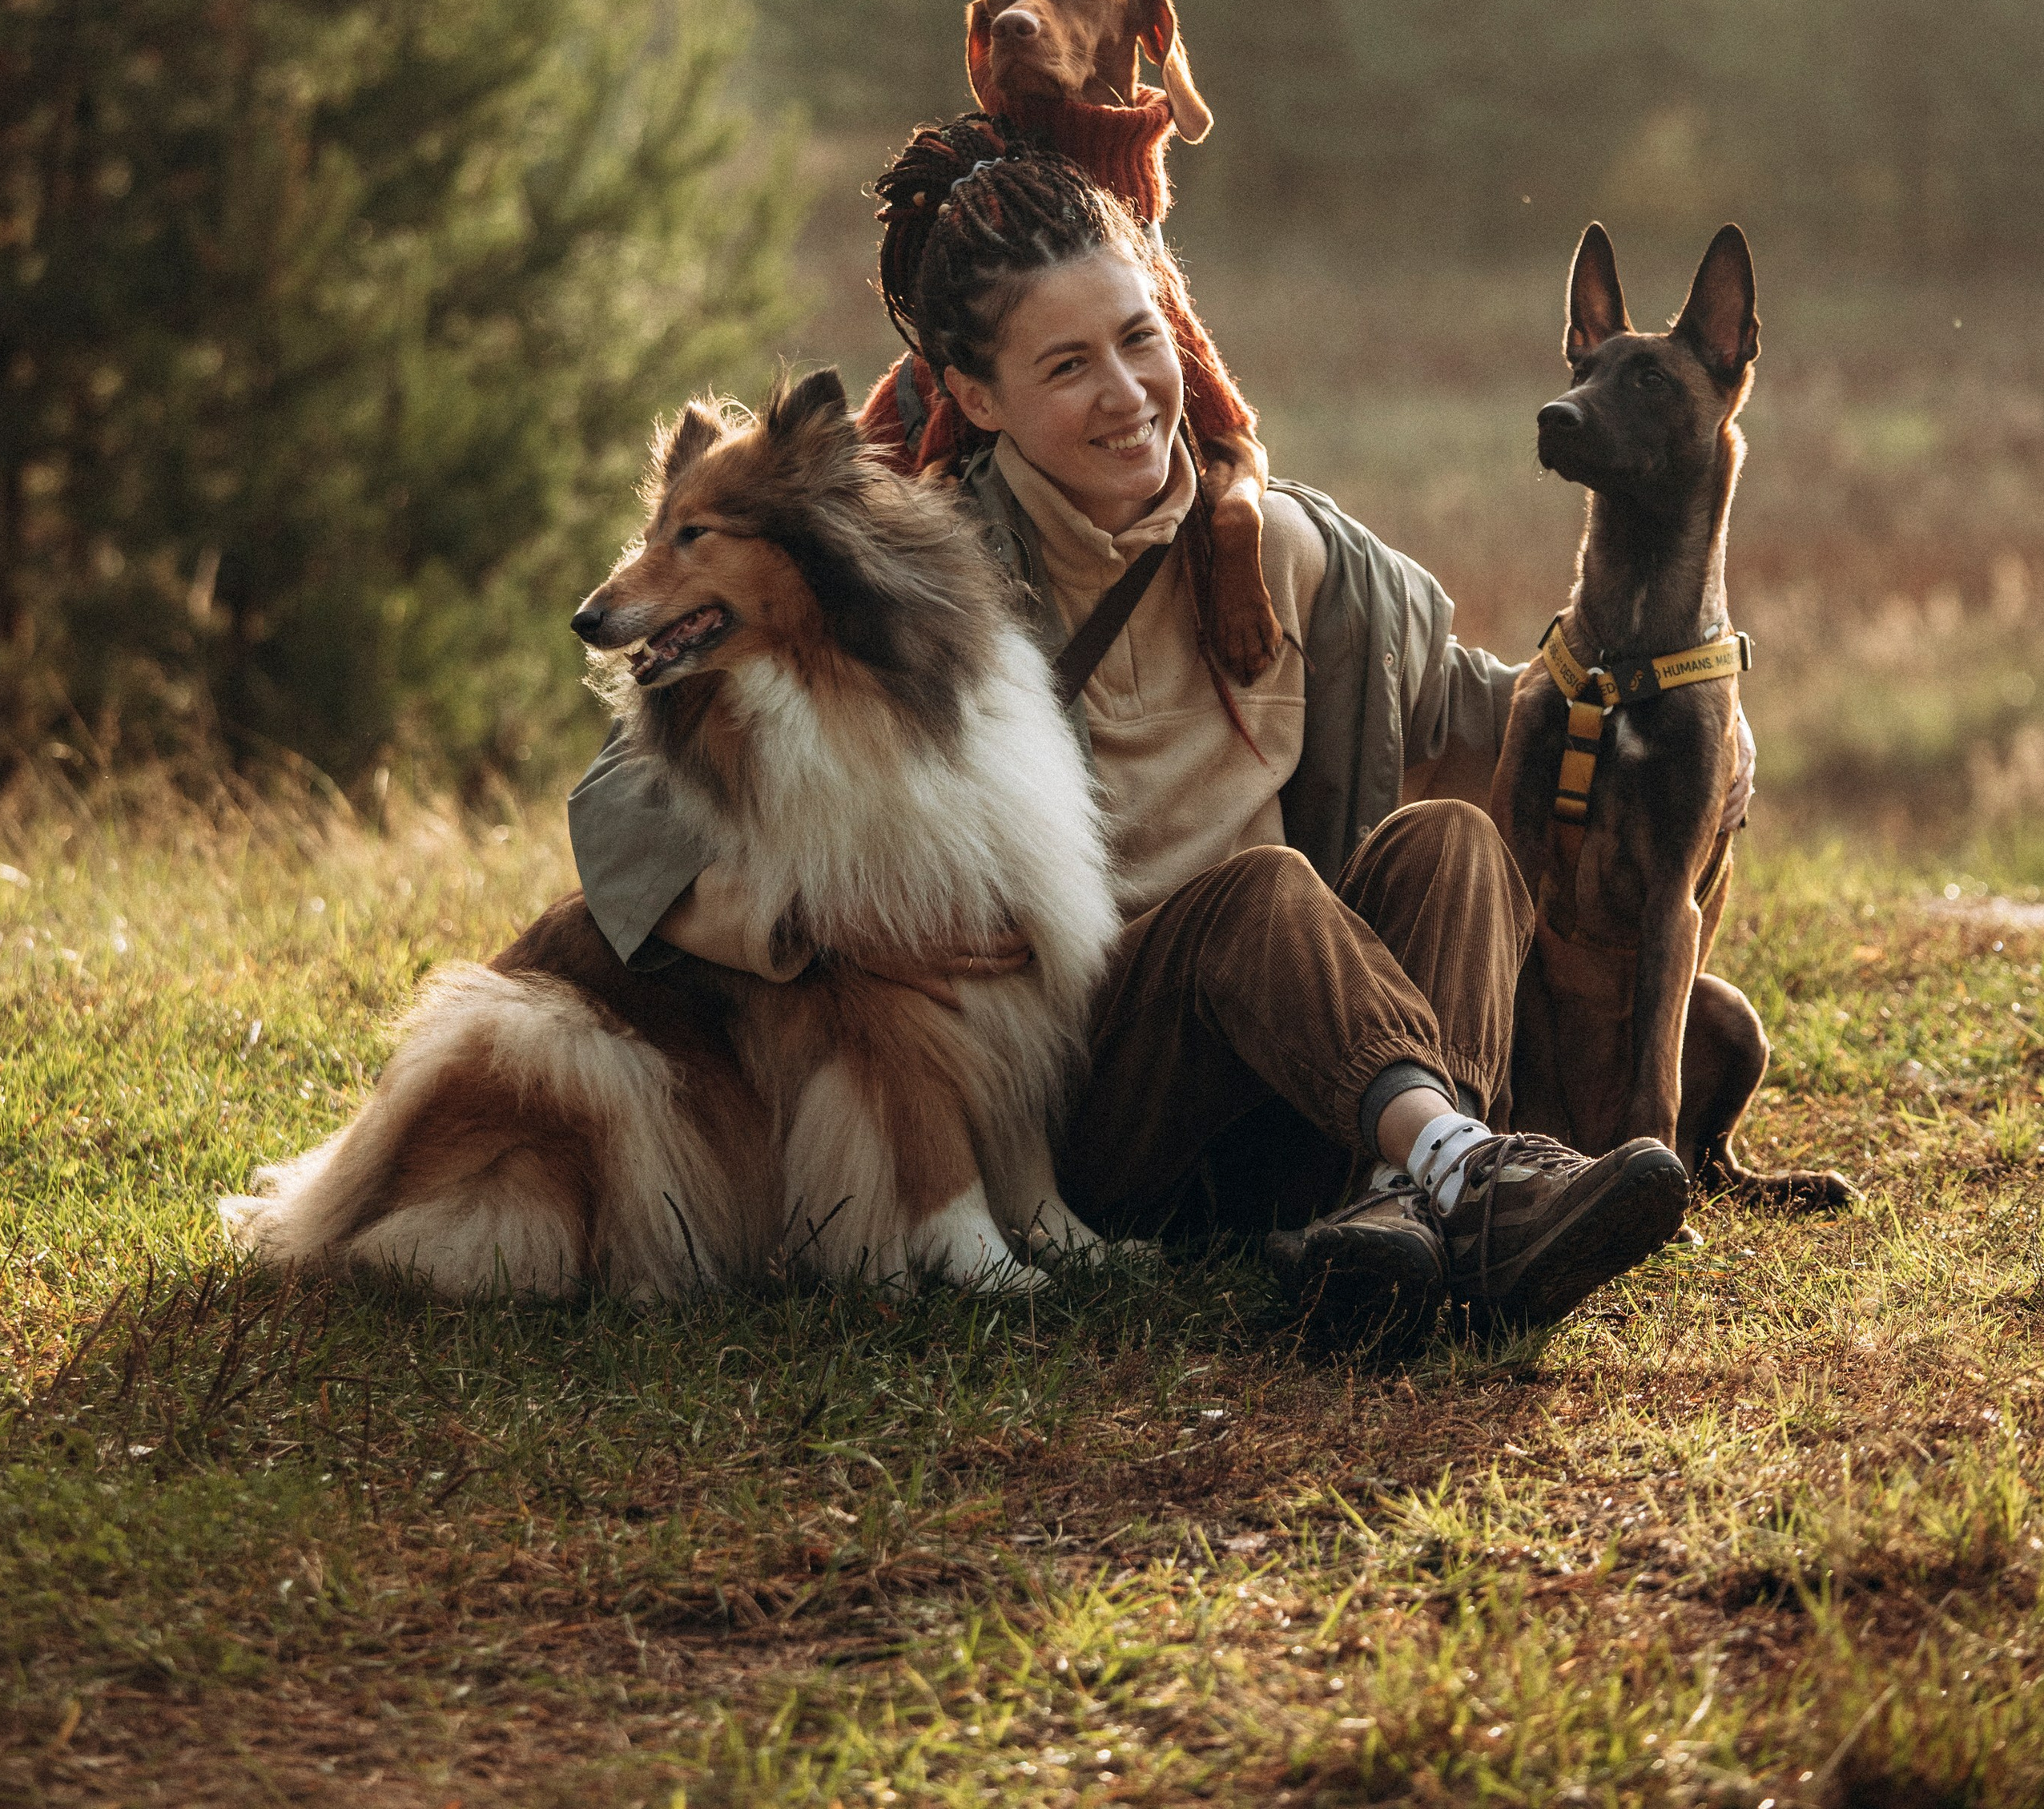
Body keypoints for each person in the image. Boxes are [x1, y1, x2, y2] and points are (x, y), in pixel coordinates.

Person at [567, 130, 1692, 1345]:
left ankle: (1402, 1212)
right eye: (1067, 367)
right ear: (977, 398)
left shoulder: (1293, 555)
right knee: (1259, 893)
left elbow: (1501, 713)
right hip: (1092, 1105)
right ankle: (1468, 1183)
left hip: (1317, 1076)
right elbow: (619, 814)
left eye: (1140, 338)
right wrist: (830, 925)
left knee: (1453, 845)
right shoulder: (919, 590)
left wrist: (1688, 706)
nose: (1127, 394)